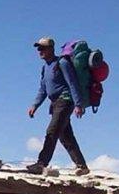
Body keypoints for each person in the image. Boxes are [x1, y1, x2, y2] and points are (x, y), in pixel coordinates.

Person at [26, 36, 90, 176]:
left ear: (51, 49)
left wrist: (78, 104)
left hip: (65, 100)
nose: (39, 51)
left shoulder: (62, 63)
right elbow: (43, 89)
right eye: (38, 48)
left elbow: (72, 83)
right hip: (55, 103)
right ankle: (82, 165)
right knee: (65, 136)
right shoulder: (45, 68)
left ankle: (41, 163)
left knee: (52, 131)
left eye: (42, 48)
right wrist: (35, 105)